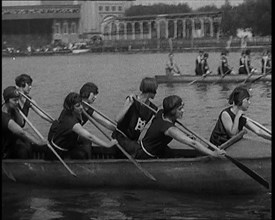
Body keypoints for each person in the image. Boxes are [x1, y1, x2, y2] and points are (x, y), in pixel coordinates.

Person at [119, 95, 225, 159]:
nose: (183, 111)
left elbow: (174, 126)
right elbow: (192, 143)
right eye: (180, 109)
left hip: (156, 148)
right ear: (173, 111)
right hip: (144, 154)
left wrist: (186, 134)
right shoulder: (169, 129)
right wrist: (213, 154)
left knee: (175, 154)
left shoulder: (161, 113)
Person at [46, 92, 117, 160]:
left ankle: (89, 160)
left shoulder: (69, 111)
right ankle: (89, 165)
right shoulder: (71, 122)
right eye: (78, 106)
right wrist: (107, 145)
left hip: (68, 143)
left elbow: (99, 119)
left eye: (81, 104)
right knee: (82, 153)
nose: (81, 107)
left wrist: (116, 129)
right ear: (71, 107)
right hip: (58, 153)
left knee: (85, 141)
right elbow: (90, 136)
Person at [112, 77, 158, 158]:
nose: (156, 92)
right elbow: (117, 119)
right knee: (141, 152)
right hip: (120, 138)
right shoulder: (132, 99)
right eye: (155, 89)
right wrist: (130, 104)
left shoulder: (153, 108)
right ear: (150, 89)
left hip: (133, 141)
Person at [2, 86, 45, 159]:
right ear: (7, 101)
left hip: (13, 141)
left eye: (18, 100)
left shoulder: (13, 108)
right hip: (5, 149)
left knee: (29, 145)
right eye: (15, 100)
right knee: (23, 150)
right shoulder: (4, 117)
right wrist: (38, 142)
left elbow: (21, 123)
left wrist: (16, 110)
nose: (17, 102)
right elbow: (21, 132)